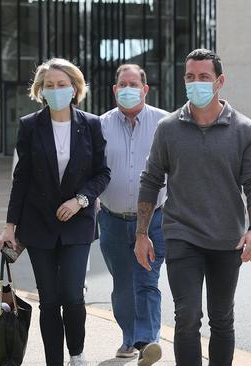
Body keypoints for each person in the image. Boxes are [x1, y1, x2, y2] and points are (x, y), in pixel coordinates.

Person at [135, 49, 251, 366]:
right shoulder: (168, 128)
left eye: (204, 77)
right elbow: (151, 179)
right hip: (182, 234)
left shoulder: (243, 128)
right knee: (187, 315)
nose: (197, 83)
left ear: (219, 81)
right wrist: (142, 233)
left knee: (221, 318)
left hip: (227, 238)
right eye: (190, 77)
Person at [0, 58, 111, 366]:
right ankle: (54, 362)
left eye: (62, 85)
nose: (56, 90)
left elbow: (102, 174)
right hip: (38, 225)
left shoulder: (91, 124)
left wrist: (80, 200)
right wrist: (10, 227)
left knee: (72, 295)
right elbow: (21, 179)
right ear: (41, 90)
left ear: (74, 88)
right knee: (49, 300)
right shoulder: (30, 125)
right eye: (50, 85)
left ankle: (76, 352)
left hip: (78, 222)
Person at [98, 64, 168, 366]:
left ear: (145, 88)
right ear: (115, 90)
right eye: (121, 84)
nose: (127, 89)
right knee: (123, 285)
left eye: (133, 84)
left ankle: (148, 340)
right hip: (112, 219)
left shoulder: (165, 123)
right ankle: (129, 338)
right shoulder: (99, 125)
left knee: (147, 280)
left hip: (154, 220)